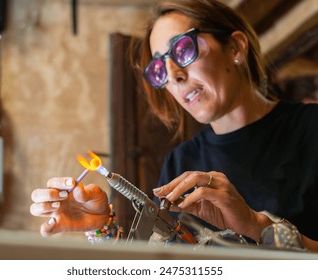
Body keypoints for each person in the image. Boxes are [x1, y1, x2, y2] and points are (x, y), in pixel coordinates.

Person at [30, 0, 318, 252]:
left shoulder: (310, 128)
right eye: (159, 68)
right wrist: (100, 229)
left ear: (235, 48)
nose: (173, 76)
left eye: (182, 50)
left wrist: (255, 225)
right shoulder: (180, 162)